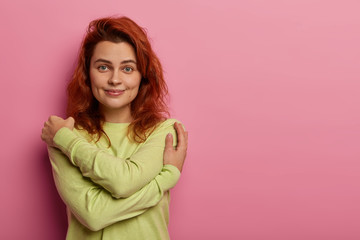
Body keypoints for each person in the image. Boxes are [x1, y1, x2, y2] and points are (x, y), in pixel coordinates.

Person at [41, 16, 188, 240]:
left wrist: (66, 140)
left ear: (143, 76)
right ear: (87, 74)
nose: (115, 79)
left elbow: (122, 183)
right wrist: (167, 177)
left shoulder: (165, 131)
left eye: (128, 69)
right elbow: (94, 215)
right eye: (103, 67)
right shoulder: (67, 134)